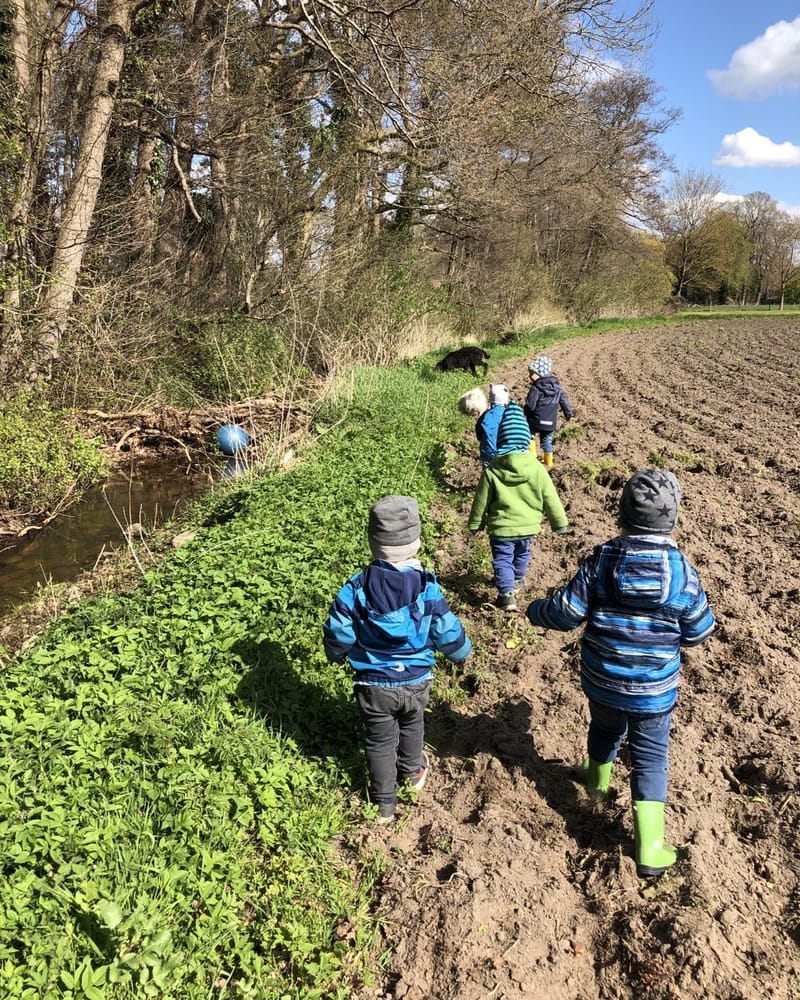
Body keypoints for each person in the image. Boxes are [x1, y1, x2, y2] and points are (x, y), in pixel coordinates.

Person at [526, 470, 716, 877]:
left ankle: (596, 782)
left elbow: (567, 612)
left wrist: (536, 610)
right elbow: (699, 630)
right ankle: (650, 847)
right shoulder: (682, 571)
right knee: (650, 758)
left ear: (621, 514)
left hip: (603, 678)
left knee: (604, 726)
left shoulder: (602, 558)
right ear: (673, 519)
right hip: (654, 689)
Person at [322, 495, 472, 824]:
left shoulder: (355, 590)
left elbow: (340, 633)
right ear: (417, 541)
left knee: (378, 740)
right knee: (413, 723)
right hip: (417, 680)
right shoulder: (427, 588)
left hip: (373, 684)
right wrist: (461, 651)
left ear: (372, 541)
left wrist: (334, 654)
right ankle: (413, 772)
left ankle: (384, 806)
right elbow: (446, 629)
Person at [467, 401, 569, 612]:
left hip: (501, 528)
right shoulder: (537, 468)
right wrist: (559, 523)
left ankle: (506, 595)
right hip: (528, 527)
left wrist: (475, 524)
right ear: (526, 439)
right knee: (522, 554)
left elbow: (481, 500)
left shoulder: (493, 469)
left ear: (501, 440)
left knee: (502, 559)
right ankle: (518, 580)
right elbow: (551, 498)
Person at [524, 355, 574, 468]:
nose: (530, 376)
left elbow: (531, 405)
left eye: (532, 373)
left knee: (529, 435)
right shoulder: (557, 388)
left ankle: (532, 458)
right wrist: (569, 415)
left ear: (539, 373)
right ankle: (549, 463)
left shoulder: (536, 388)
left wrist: (526, 412)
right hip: (550, 423)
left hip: (536, 420)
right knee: (546, 441)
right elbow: (564, 401)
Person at [475, 384, 511, 467]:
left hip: (487, 451)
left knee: (487, 472)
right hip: (504, 451)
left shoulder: (486, 415)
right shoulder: (508, 415)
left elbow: (479, 433)